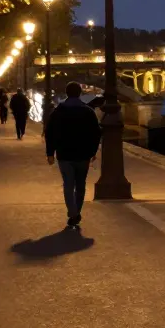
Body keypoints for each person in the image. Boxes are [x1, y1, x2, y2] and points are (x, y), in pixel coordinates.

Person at [44, 82, 101, 230]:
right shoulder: (88, 112)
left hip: (64, 154)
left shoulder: (58, 112)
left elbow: (50, 133)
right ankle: (77, 211)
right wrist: (93, 152)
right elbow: (96, 133)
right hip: (83, 155)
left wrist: (50, 153)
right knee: (80, 185)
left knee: (68, 185)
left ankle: (72, 213)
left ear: (67, 93)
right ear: (80, 93)